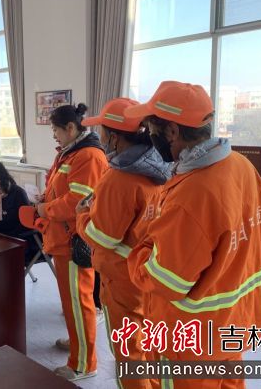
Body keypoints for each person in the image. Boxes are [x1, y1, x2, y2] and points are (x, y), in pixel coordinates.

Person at [124, 81, 261, 388]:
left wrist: (141, 248)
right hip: (235, 324)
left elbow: (166, 281)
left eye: (152, 127)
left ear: (172, 131)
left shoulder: (193, 194)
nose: (150, 136)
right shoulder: (241, 166)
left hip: (192, 342)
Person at [75, 98, 171, 389]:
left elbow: (103, 237)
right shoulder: (162, 169)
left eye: (103, 131)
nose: (101, 137)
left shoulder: (119, 179)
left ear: (114, 137)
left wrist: (82, 216)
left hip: (122, 278)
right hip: (152, 274)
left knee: (129, 352)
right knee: (150, 345)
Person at [21, 103, 109, 381]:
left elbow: (77, 202)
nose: (54, 135)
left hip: (74, 241)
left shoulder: (89, 156)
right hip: (61, 238)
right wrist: (45, 197)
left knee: (79, 302)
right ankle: (77, 341)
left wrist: (44, 209)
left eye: (56, 130)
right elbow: (60, 189)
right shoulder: (70, 152)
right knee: (71, 302)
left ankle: (83, 363)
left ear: (71, 128)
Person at [0, 159, 38, 264]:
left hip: (16, 239)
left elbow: (26, 224)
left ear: (0, 176)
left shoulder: (18, 193)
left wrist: (3, 236)